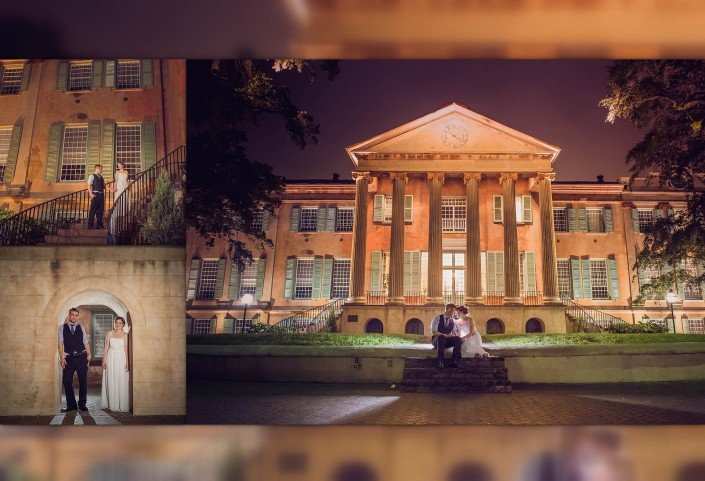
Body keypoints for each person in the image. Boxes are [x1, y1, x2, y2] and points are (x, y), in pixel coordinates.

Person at [58, 307, 91, 412]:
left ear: (78, 316)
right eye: (72, 314)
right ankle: (71, 405)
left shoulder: (81, 327)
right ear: (69, 315)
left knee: (83, 382)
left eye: (76, 315)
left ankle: (82, 404)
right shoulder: (62, 328)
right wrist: (62, 357)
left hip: (82, 357)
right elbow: (60, 343)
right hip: (69, 358)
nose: (74, 317)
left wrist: (89, 354)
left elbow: (85, 341)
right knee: (67, 381)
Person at [101, 316, 130, 412]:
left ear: (123, 324)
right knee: (111, 378)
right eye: (116, 322)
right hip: (111, 357)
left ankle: (120, 403)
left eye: (120, 323)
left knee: (120, 378)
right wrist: (104, 360)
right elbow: (106, 348)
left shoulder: (125, 335)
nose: (117, 324)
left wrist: (127, 363)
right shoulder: (110, 333)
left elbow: (126, 349)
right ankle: (111, 403)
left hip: (121, 358)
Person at [430, 303, 462, 369]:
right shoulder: (437, 318)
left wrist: (454, 335)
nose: (455, 313)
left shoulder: (453, 320)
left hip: (447, 341)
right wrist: (445, 335)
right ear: (449, 309)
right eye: (454, 311)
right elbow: (434, 332)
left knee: (457, 338)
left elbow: (454, 333)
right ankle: (440, 362)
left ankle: (455, 361)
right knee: (441, 337)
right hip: (437, 340)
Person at [87, 164, 108, 229]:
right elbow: (88, 185)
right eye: (101, 169)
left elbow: (104, 186)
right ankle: (90, 225)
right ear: (97, 168)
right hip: (95, 194)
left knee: (100, 210)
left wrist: (110, 188)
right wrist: (91, 194)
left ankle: (99, 225)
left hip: (101, 195)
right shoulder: (92, 176)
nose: (102, 170)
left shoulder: (101, 177)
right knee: (93, 210)